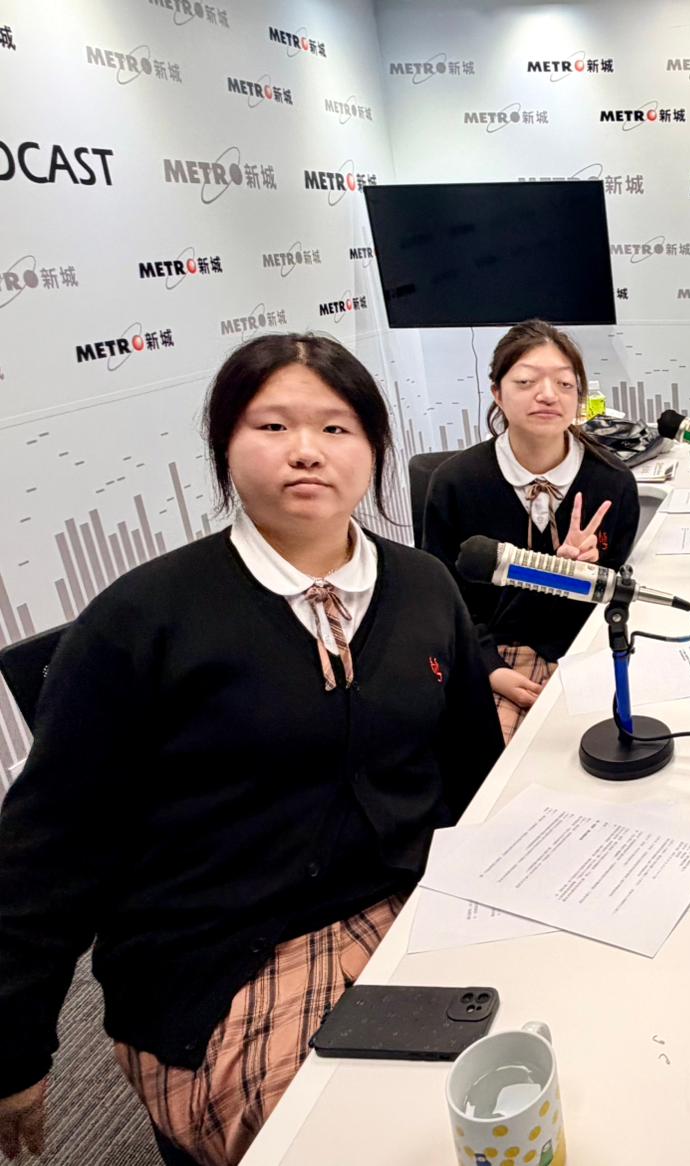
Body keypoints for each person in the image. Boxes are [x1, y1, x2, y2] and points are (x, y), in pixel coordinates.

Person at [0, 333, 503, 1166]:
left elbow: (473, 771)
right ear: (224, 446)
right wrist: (14, 1046)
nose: (306, 450)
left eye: (336, 428)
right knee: (373, 1143)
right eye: (272, 426)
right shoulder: (141, 620)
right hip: (221, 956)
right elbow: (50, 847)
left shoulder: (423, 585)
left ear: (374, 448)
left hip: (415, 902)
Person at [423, 319, 641, 744]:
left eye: (565, 384)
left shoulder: (612, 482)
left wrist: (581, 577)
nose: (548, 395)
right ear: (497, 393)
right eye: (526, 381)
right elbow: (441, 598)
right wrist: (490, 667)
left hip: (580, 652)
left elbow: (611, 600)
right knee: (488, 761)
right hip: (486, 651)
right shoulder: (455, 483)